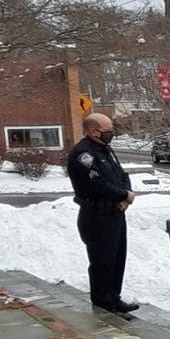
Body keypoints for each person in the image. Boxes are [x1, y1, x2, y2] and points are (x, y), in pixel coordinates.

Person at [66, 113, 139, 314]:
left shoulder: (105, 150)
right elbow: (96, 184)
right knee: (103, 261)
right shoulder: (83, 154)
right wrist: (123, 194)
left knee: (117, 258)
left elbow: (121, 174)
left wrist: (125, 195)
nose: (111, 134)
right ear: (93, 131)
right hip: (97, 215)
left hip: (115, 212)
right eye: (107, 131)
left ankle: (114, 297)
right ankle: (103, 302)